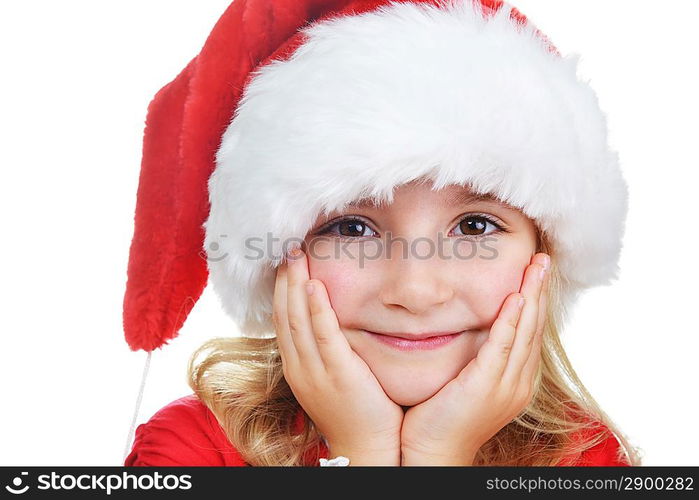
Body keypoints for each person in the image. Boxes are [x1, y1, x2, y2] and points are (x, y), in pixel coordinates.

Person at [122, 0, 642, 466]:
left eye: (475, 226)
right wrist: (363, 457)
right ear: (278, 254)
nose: (416, 292)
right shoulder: (188, 452)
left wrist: (439, 458)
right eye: (351, 228)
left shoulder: (586, 459)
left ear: (544, 252)